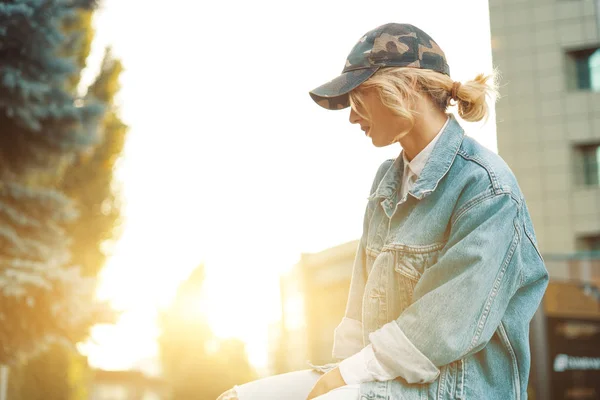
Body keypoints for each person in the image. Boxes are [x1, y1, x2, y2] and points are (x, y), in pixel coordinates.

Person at [217, 22, 548, 400]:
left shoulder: (488, 189)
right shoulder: (386, 183)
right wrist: (342, 374)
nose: (352, 117)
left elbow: (440, 329)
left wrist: (345, 380)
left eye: (359, 98)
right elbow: (358, 316)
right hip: (386, 379)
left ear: (404, 89)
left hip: (458, 390)